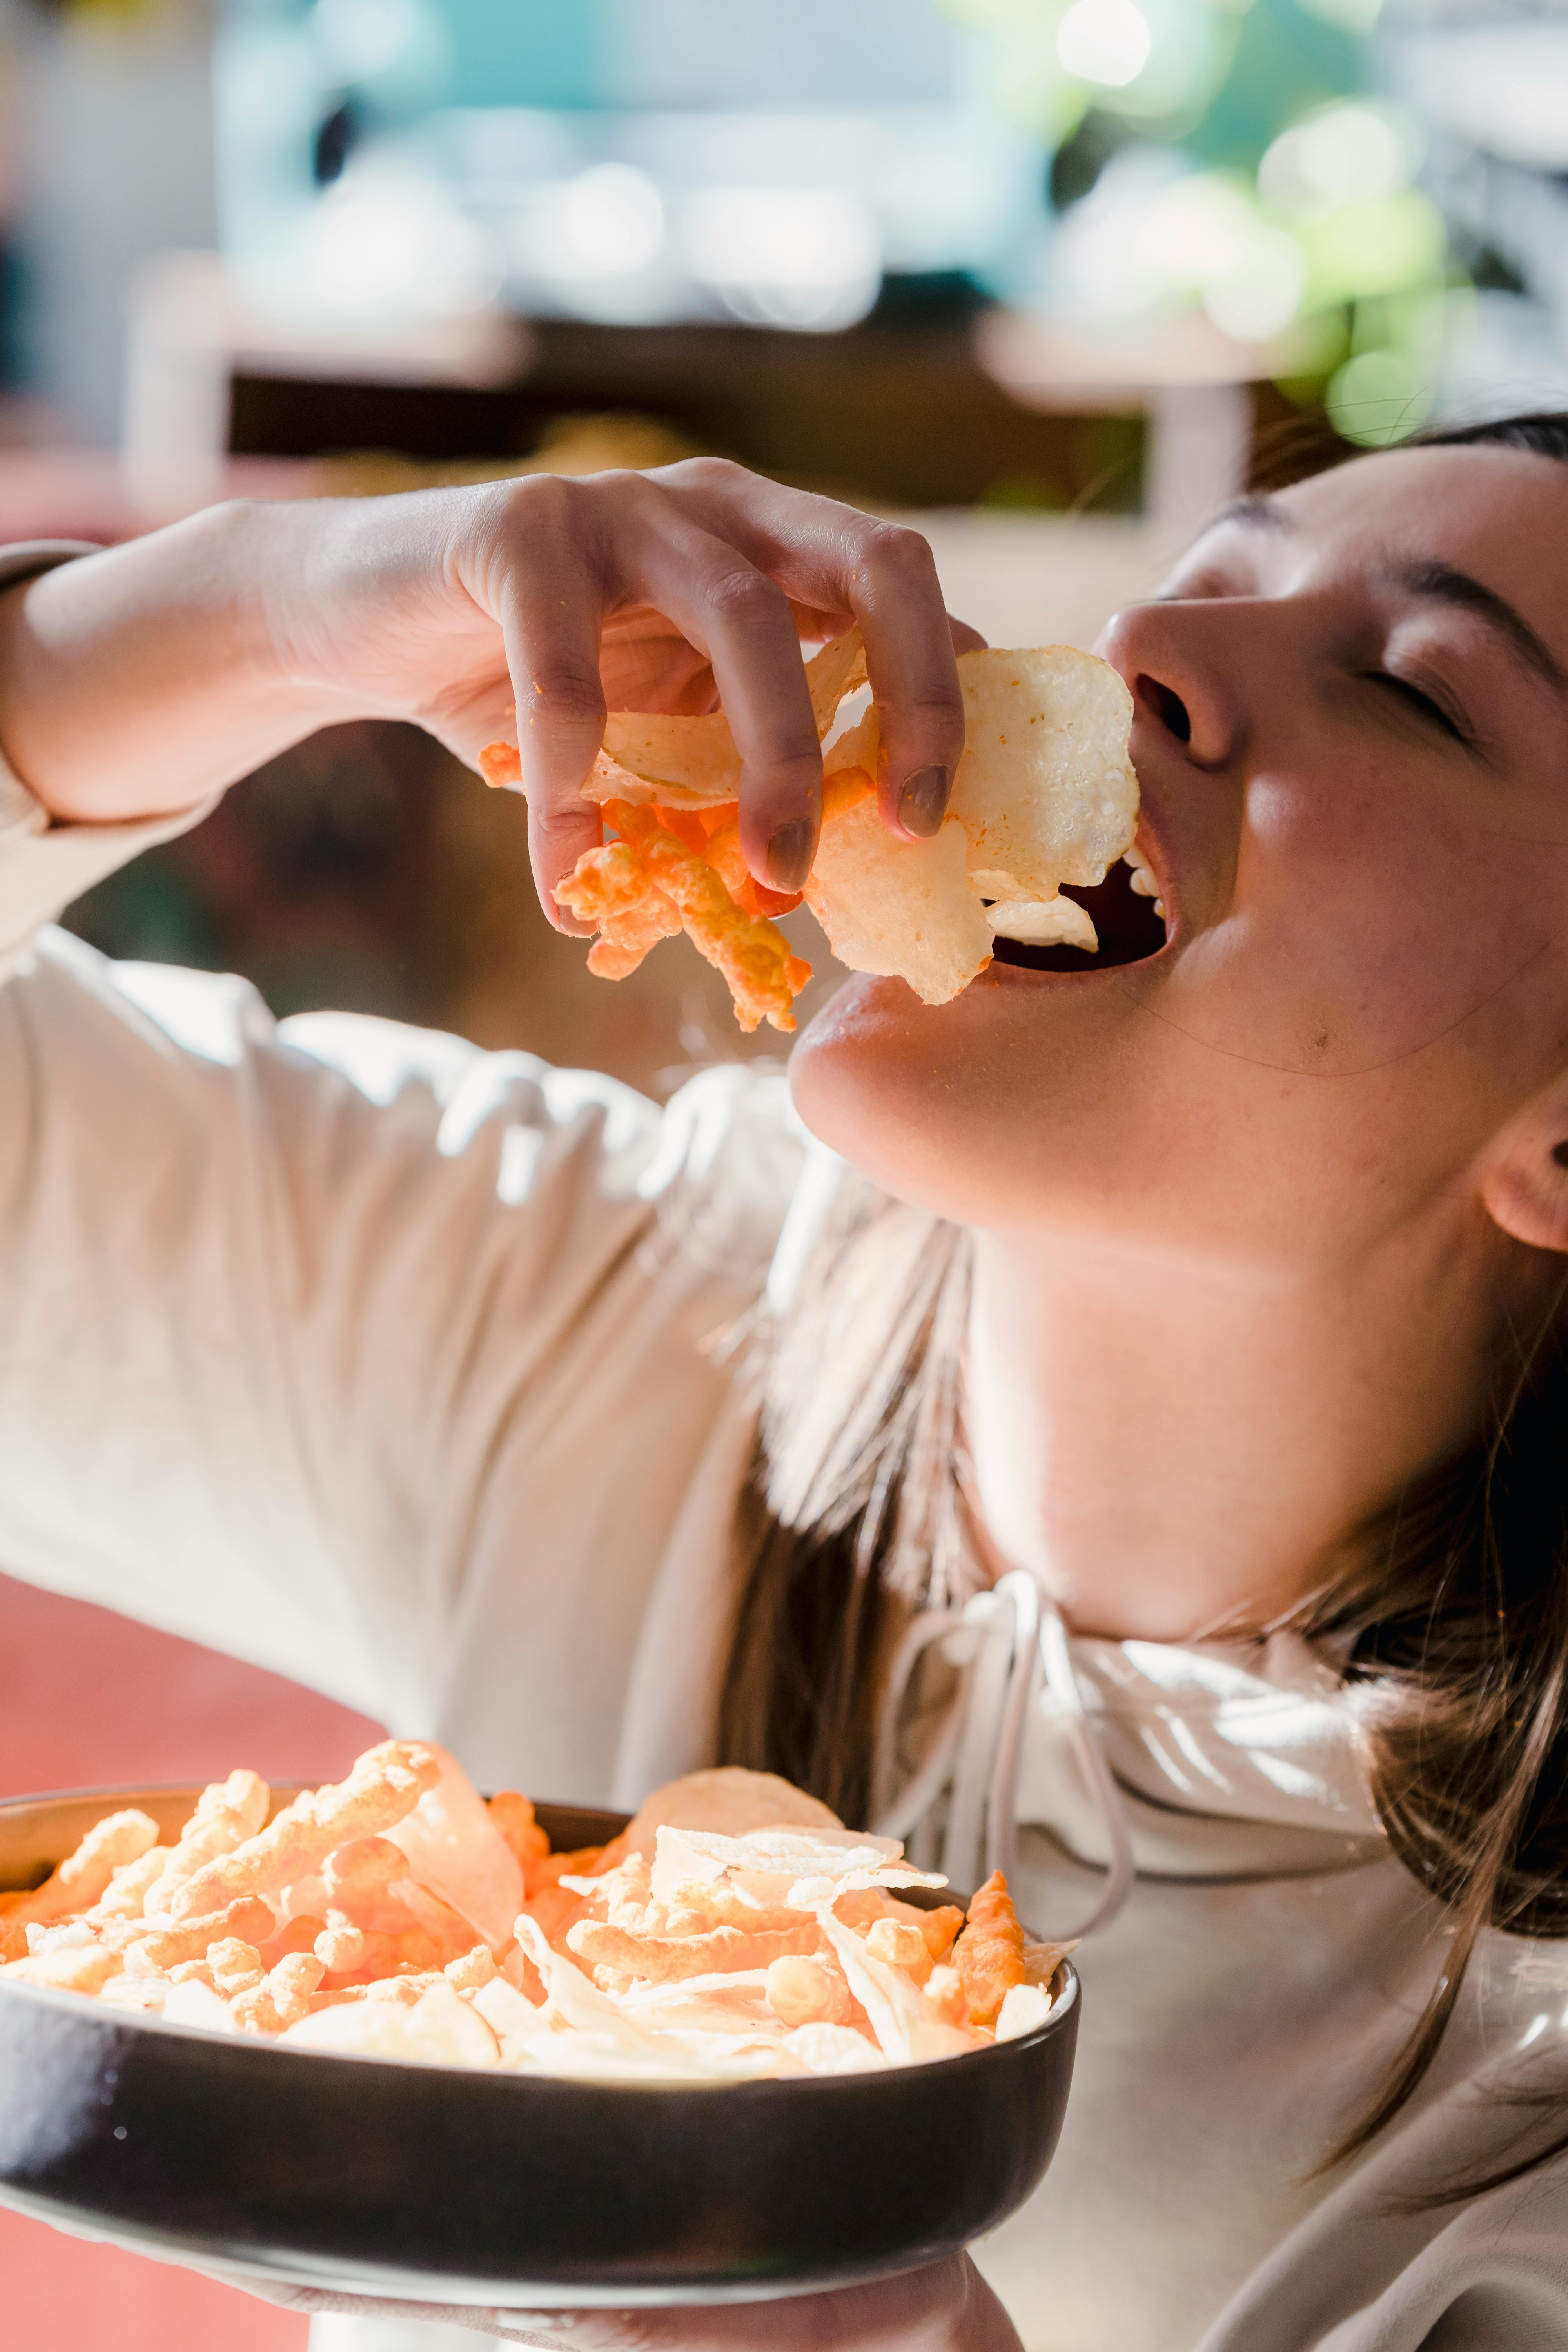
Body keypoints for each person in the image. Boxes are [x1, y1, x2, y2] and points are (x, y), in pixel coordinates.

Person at [2, 419, 1568, 2352]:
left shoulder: (1524, 2120)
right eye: (1215, 570)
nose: (1142, 631)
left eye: (1410, 689)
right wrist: (265, 610)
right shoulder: (608, 1302)